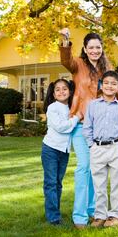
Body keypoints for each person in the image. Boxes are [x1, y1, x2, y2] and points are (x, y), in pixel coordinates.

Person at [59, 29, 118, 228]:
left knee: (94, 171)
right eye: (91, 47)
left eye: (98, 47)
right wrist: (65, 40)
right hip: (81, 124)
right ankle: (80, 215)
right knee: (84, 168)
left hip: (103, 126)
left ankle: (94, 212)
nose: (95, 50)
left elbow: (115, 89)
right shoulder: (77, 64)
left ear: (102, 48)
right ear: (85, 49)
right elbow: (66, 60)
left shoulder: (107, 67)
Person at [82, 70, 118, 228]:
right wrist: (91, 145)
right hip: (98, 148)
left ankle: (115, 215)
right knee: (99, 184)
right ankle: (100, 215)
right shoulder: (93, 105)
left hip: (116, 147)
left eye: (113, 84)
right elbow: (87, 127)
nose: (110, 86)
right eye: (107, 83)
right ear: (102, 85)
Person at [41, 79, 81, 225]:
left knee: (58, 183)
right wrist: (76, 118)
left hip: (63, 151)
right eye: (58, 89)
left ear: (70, 91)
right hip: (50, 149)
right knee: (51, 183)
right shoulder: (53, 108)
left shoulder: (71, 107)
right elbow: (61, 127)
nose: (61, 91)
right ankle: (53, 217)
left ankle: (55, 213)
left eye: (64, 88)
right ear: (54, 93)